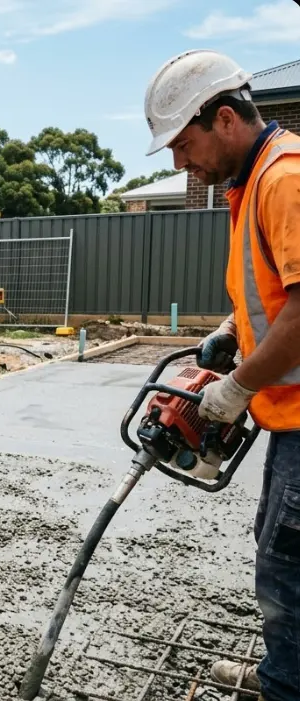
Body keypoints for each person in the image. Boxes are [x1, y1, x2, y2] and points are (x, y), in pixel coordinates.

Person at [145, 49, 300, 701]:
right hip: (289, 415)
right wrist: (230, 335)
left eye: (184, 145)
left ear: (226, 119)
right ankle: (281, 673)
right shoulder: (251, 182)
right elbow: (269, 292)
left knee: (288, 565)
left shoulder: (284, 178)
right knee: (280, 551)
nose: (182, 163)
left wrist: (235, 389)